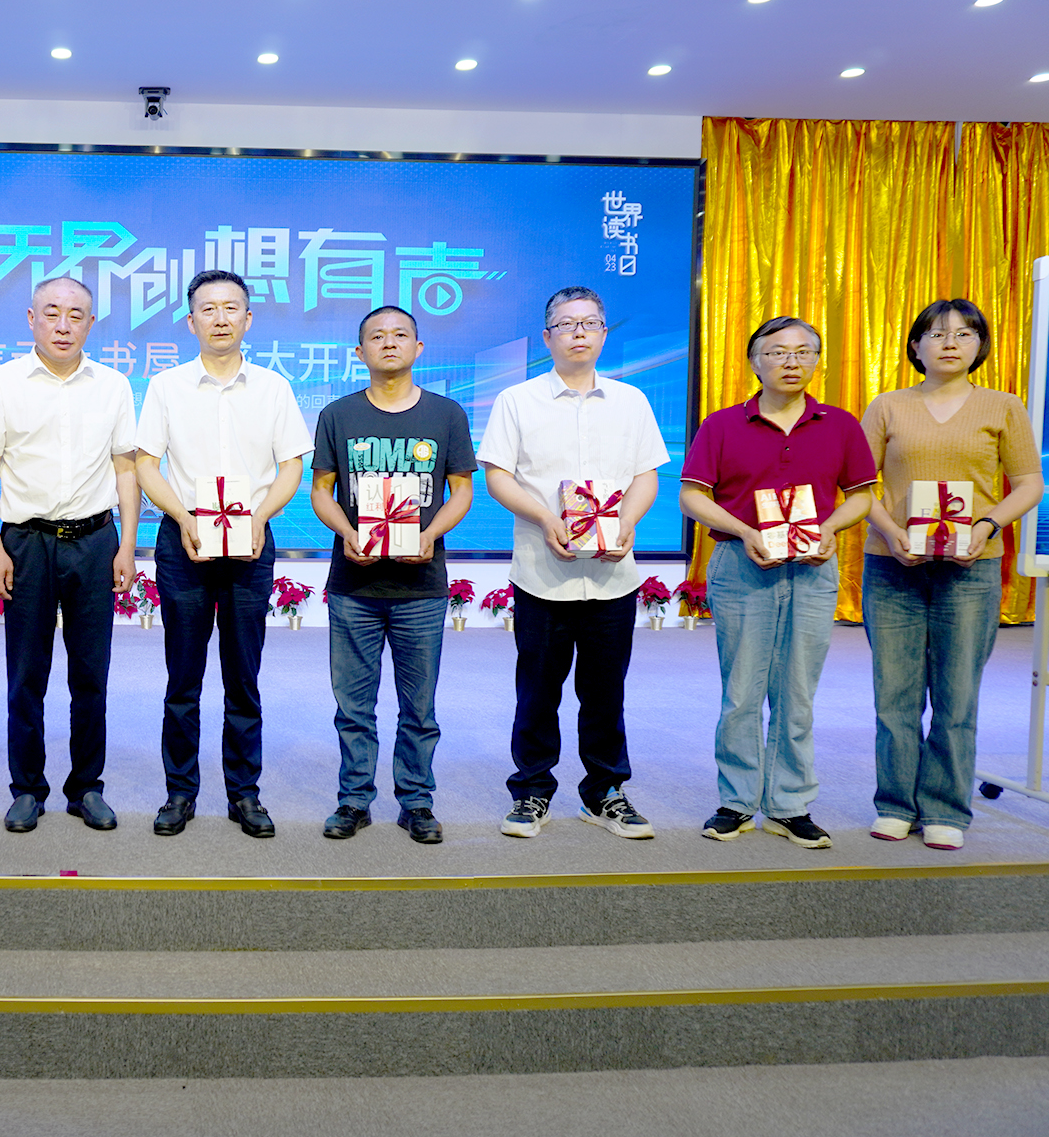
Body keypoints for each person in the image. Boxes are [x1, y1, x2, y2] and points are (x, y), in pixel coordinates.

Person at [478, 285, 669, 841]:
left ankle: (605, 792)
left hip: (613, 575)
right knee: (537, 692)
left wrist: (627, 522)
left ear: (604, 333)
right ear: (547, 337)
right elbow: (498, 476)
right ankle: (532, 791)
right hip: (542, 573)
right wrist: (544, 518)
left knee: (606, 693)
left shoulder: (631, 401)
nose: (578, 332)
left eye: (589, 323)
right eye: (566, 324)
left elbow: (646, 475)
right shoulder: (518, 400)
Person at [679, 316, 876, 849]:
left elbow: (861, 495)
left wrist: (830, 528)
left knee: (797, 692)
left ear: (817, 360)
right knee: (741, 690)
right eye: (778, 352)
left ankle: (790, 805)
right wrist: (745, 531)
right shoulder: (722, 424)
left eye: (804, 352)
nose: (792, 362)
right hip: (741, 564)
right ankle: (737, 801)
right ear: (755, 361)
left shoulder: (840, 424)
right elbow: (692, 496)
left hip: (812, 567)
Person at [859, 300, 1042, 851]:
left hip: (971, 568)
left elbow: (1029, 484)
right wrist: (891, 532)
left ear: (980, 346)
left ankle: (945, 807)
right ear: (915, 346)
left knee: (957, 697)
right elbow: (858, 486)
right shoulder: (887, 406)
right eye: (936, 334)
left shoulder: (1003, 406)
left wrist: (987, 525)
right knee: (895, 696)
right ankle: (895, 804)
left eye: (964, 334)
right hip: (892, 565)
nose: (950, 343)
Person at [135, 270, 311, 838]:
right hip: (184, 539)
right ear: (191, 322)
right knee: (182, 678)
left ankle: (245, 794)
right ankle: (179, 792)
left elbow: (291, 466)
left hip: (251, 540)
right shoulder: (166, 386)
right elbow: (146, 464)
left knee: (243, 676)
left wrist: (259, 517)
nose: (220, 318)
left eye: (231, 307)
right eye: (207, 309)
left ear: (248, 319)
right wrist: (184, 517)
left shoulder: (273, 388)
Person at [0, 276, 138, 832]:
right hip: (26, 543)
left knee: (91, 674)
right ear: (31, 318)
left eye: (76, 315)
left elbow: (126, 468)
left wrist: (127, 545)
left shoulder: (113, 385)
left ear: (91, 323)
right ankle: (26, 789)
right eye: (52, 313)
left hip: (94, 541)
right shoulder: (2, 382)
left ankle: (86, 787)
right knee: (26, 673)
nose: (63, 325)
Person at [311, 306, 475, 843]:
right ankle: (354, 800)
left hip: (421, 587)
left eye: (400, 334)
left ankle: (417, 802)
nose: (389, 343)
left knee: (419, 707)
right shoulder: (338, 414)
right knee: (353, 707)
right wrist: (347, 532)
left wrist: (429, 535)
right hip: (354, 585)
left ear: (418, 348)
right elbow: (322, 491)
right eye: (376, 337)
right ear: (359, 352)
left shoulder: (446, 414)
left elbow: (462, 491)